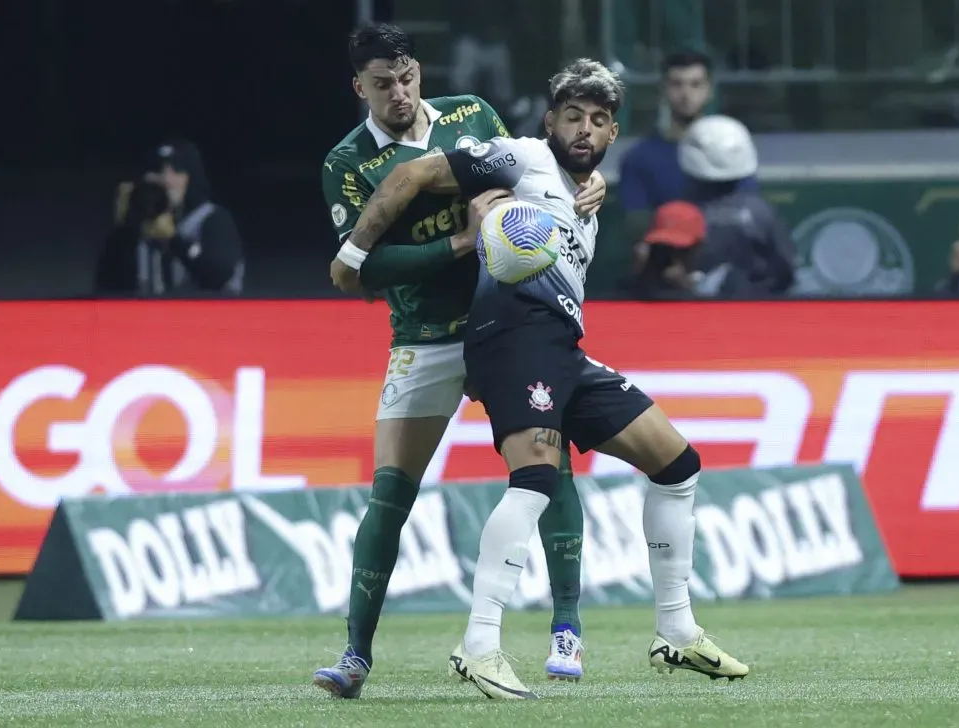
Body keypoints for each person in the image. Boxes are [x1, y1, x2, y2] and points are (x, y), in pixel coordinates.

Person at [338, 58, 750, 700]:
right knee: (533, 481)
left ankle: (676, 631)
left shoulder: (586, 198)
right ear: (550, 121)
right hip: (510, 339)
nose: (584, 129)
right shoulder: (522, 158)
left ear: (613, 133)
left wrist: (593, 189)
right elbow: (413, 174)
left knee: (677, 464)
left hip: (561, 349)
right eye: (572, 117)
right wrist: (353, 254)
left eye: (598, 120)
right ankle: (479, 644)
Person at [315, 23, 609, 698]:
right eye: (383, 84)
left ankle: (567, 627)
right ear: (359, 87)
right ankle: (355, 656)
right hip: (424, 334)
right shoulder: (346, 162)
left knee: (548, 464)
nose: (399, 93)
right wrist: (459, 243)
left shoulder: (470, 114)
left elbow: (534, 179)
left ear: (418, 70)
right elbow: (363, 269)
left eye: (407, 77)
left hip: (505, 321)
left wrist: (589, 183)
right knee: (390, 494)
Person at [618, 50, 757, 261]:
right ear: (663, 89)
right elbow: (636, 224)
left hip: (727, 263)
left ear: (709, 90)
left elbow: (747, 212)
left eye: (695, 84)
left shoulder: (733, 150)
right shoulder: (639, 158)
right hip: (666, 264)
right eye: (677, 84)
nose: (686, 94)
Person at [95, 139, 245, 295]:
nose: (166, 180)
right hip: (149, 310)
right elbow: (106, 288)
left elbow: (217, 277)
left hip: (207, 310)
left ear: (191, 177)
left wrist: (175, 240)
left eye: (176, 171)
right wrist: (125, 231)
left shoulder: (212, 220)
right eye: (159, 171)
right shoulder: (140, 228)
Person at [679, 115, 794, 298]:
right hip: (756, 308)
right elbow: (786, 271)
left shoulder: (677, 215)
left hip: (693, 310)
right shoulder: (761, 213)